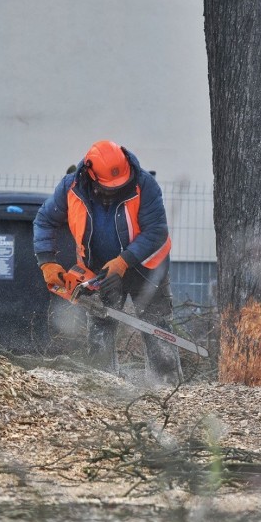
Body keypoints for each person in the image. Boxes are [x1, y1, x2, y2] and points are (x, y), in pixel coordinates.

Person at [33, 139, 182, 385]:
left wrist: (123, 262)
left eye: (119, 186)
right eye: (109, 187)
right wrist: (47, 261)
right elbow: (44, 220)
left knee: (156, 325)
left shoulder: (145, 185)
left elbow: (156, 231)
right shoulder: (70, 188)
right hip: (99, 268)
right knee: (101, 323)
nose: (115, 190)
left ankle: (166, 387)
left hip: (147, 266)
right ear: (90, 174)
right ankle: (104, 385)